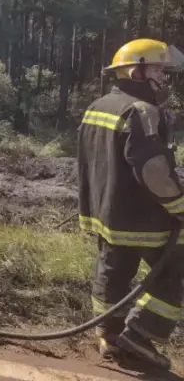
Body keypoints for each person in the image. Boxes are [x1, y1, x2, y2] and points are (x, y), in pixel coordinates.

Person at [78, 38, 184, 370]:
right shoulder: (142, 111)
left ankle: (110, 338)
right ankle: (140, 333)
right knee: (175, 274)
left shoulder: (98, 106)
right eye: (156, 69)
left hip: (107, 213)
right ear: (135, 71)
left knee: (113, 272)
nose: (162, 78)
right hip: (144, 218)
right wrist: (179, 204)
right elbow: (153, 171)